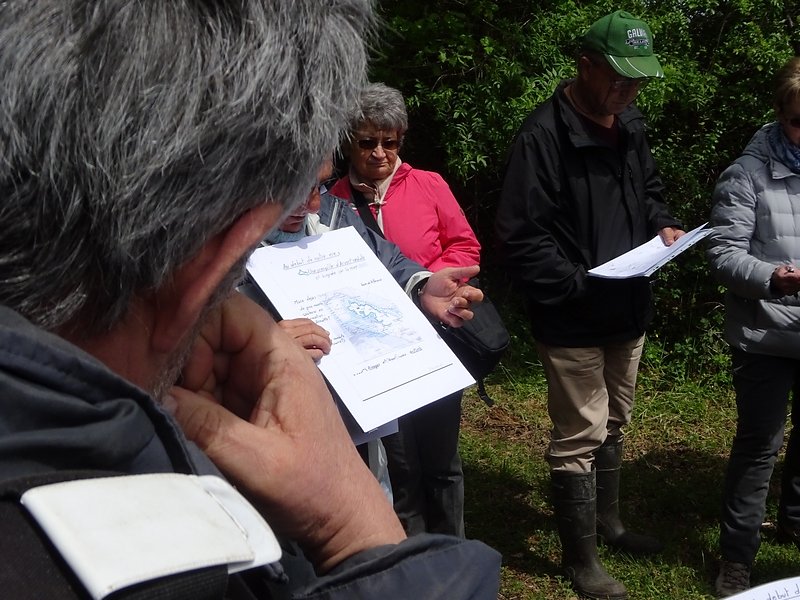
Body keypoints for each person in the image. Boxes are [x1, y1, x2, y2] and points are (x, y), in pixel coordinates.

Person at [0, 2, 502, 599]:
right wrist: (356, 533)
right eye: (300, 187)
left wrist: (420, 284)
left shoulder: (341, 215)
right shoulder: (190, 563)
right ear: (218, 253)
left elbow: (383, 258)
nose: (313, 201)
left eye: (320, 185)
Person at [494, 10, 684, 600]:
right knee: (582, 429)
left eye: (637, 81)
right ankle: (582, 562)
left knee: (617, 419)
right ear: (585, 65)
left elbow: (648, 191)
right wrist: (580, 284)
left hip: (628, 306)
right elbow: (520, 234)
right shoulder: (542, 137)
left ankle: (610, 522)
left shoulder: (630, 125)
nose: (628, 91)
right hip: (573, 312)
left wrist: (664, 226)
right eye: (618, 78)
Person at [329, 83, 482, 538]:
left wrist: (431, 287)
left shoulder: (428, 185)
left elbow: (465, 245)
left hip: (435, 339)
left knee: (442, 456)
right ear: (349, 140)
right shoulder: (331, 201)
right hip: (372, 345)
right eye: (368, 141)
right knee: (398, 458)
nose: (379, 153)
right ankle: (412, 550)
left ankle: (451, 546)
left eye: (390, 141)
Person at [706, 56, 800, 598]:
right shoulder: (746, 174)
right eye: (796, 120)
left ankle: (794, 521)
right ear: (779, 114)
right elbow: (722, 254)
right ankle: (737, 558)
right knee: (760, 445)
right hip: (765, 332)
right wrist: (773, 278)